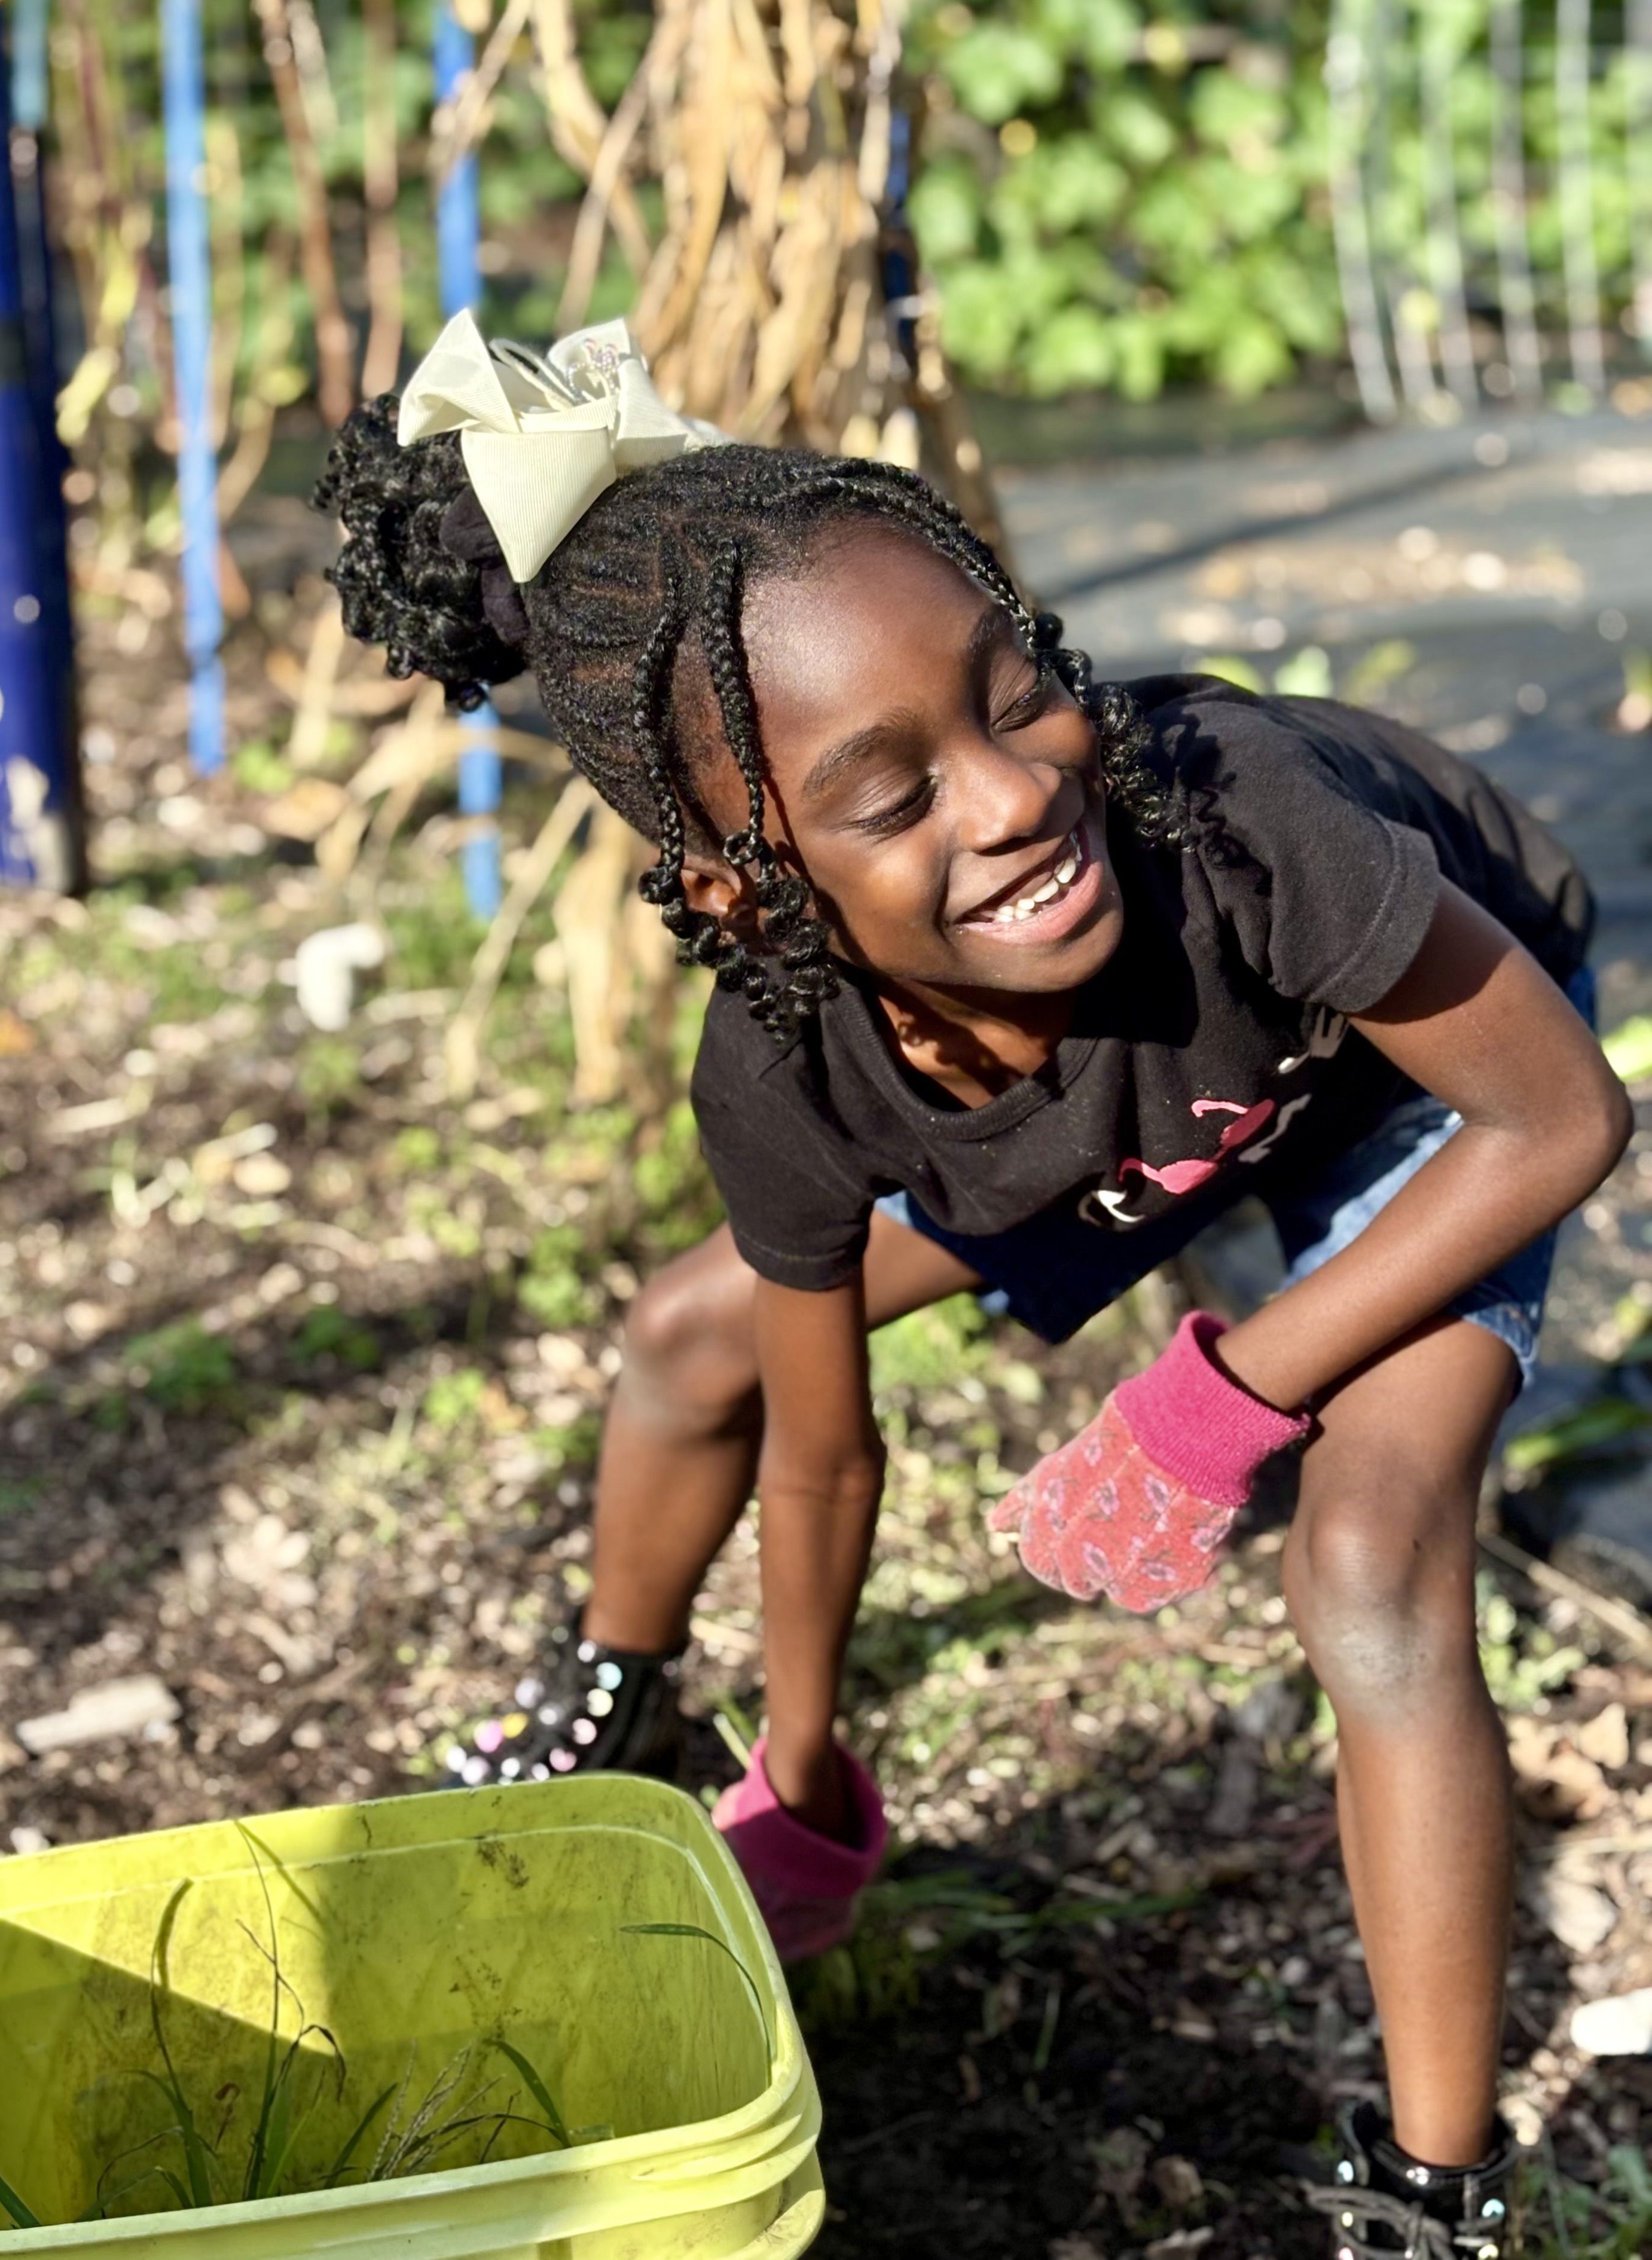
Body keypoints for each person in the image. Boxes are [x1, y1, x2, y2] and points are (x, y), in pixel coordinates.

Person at [318, 313, 1628, 2259]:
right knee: (694, 1336)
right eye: (893, 792)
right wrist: (806, 1761)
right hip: (1122, 1105)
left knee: (1365, 1554)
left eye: (1018, 693)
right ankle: (624, 1687)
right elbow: (821, 1451)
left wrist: (1226, 1390)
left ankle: (1441, 2192)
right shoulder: (787, 1073)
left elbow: (1560, 1116)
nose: (1013, 792)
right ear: (761, 894)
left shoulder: (1232, 814)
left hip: (1420, 1072)